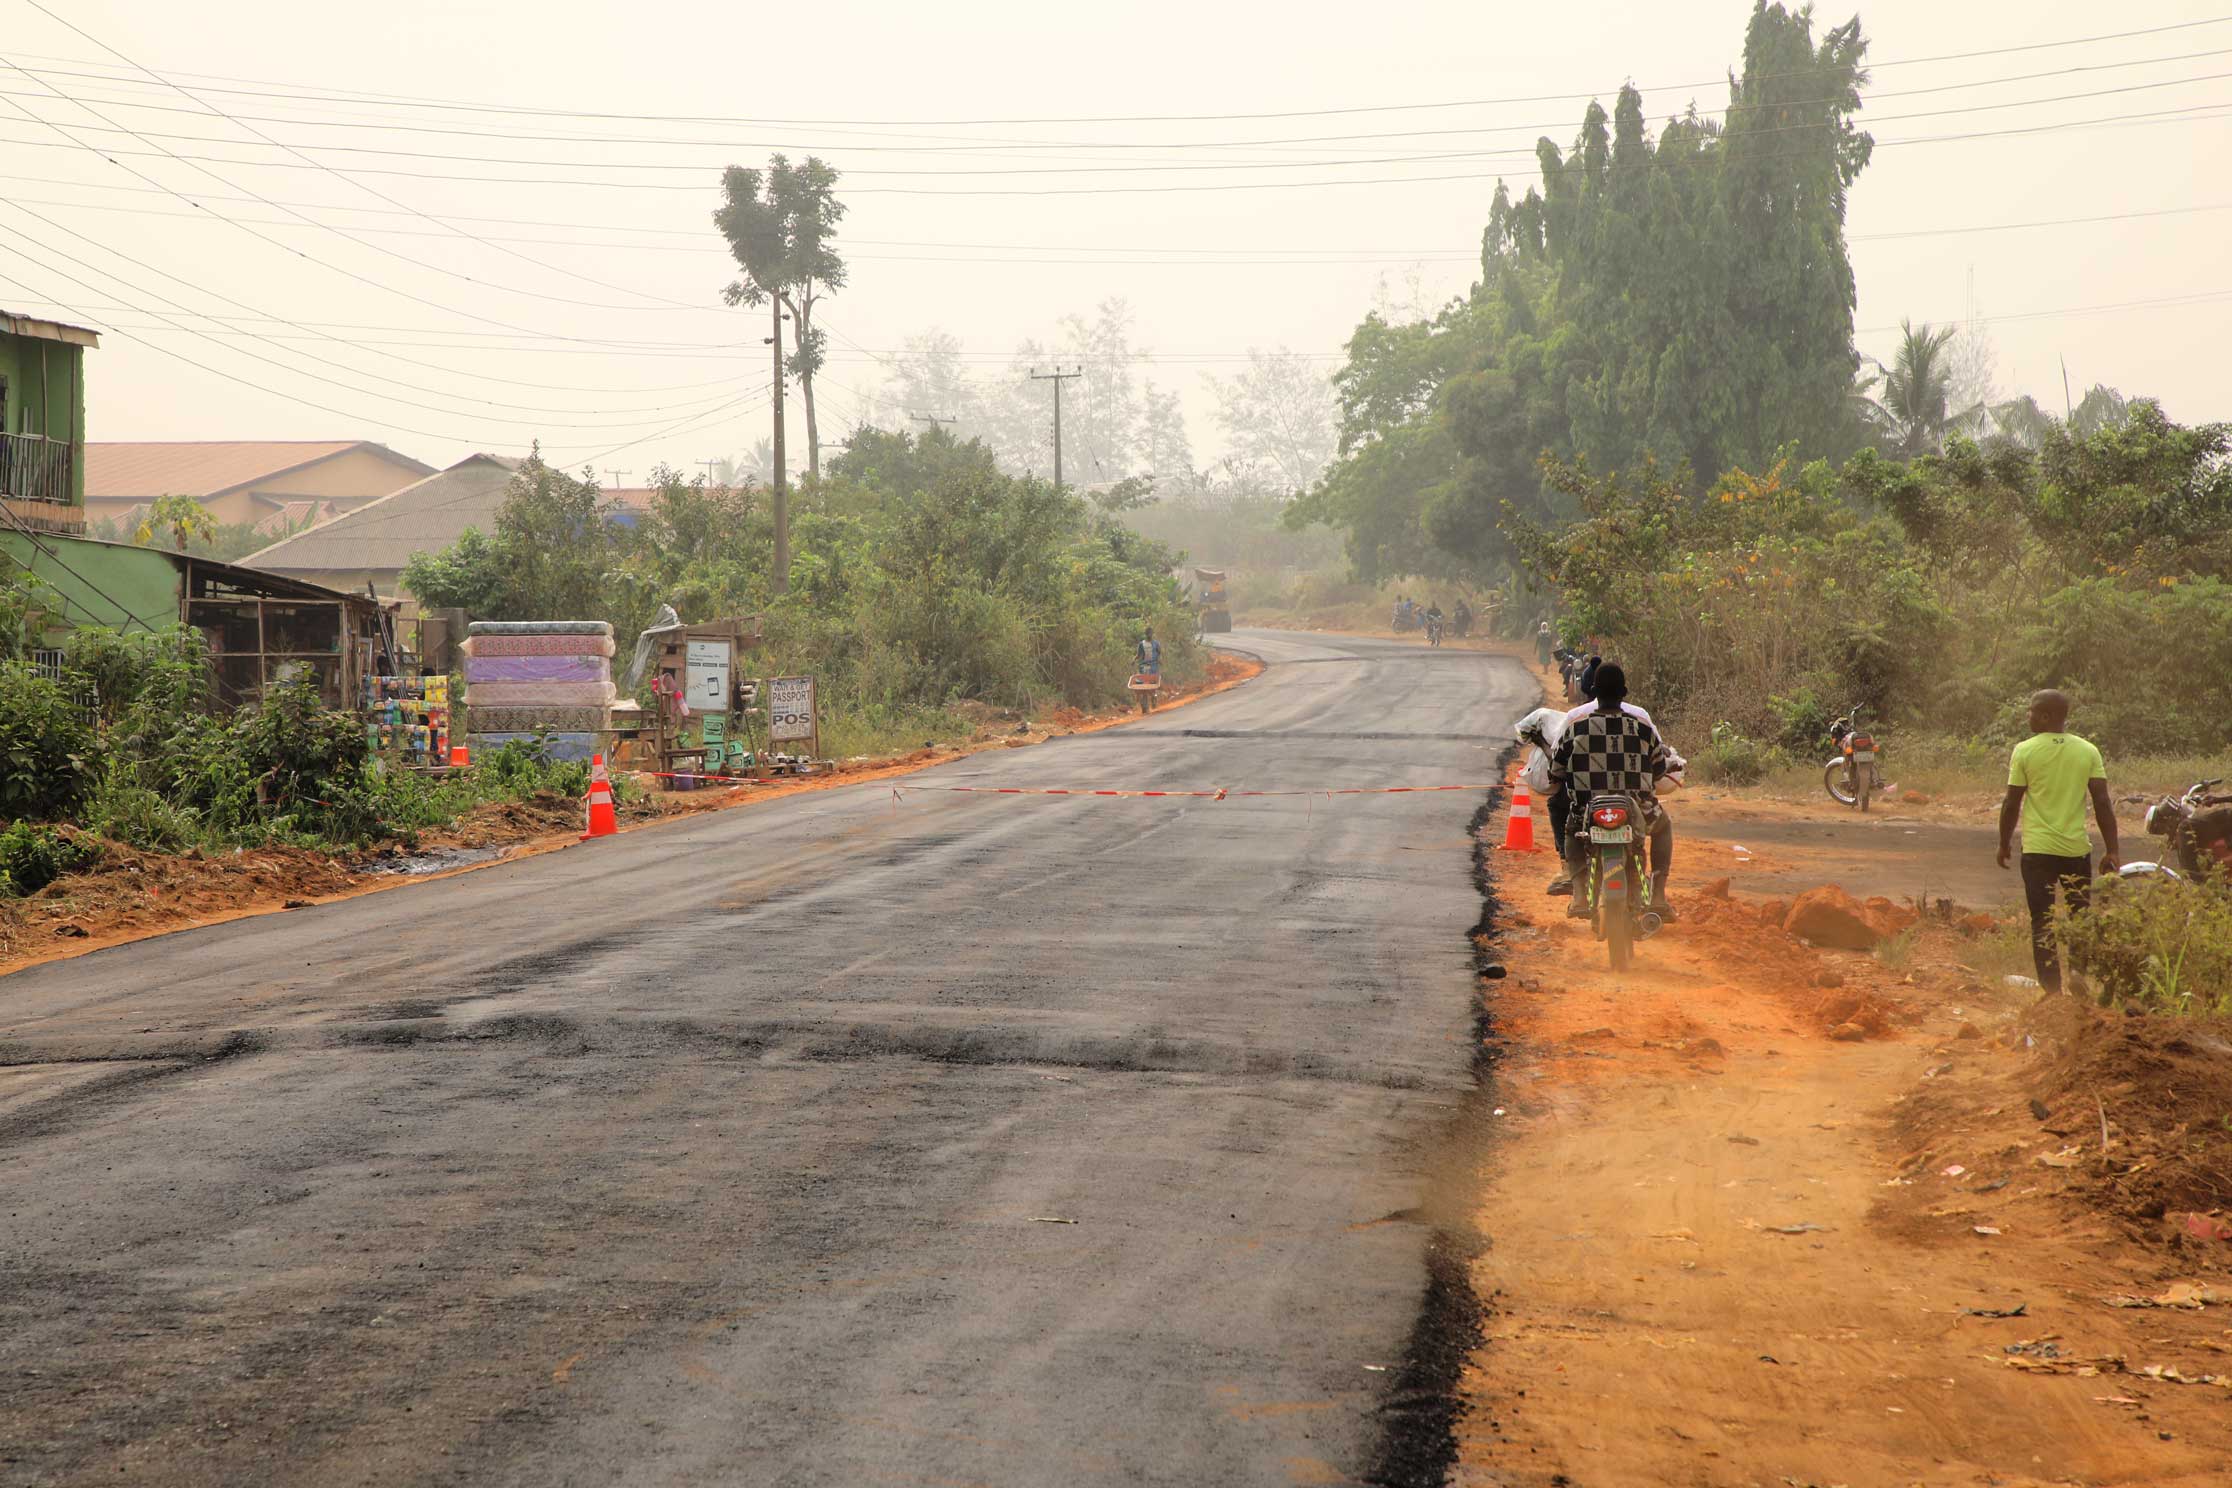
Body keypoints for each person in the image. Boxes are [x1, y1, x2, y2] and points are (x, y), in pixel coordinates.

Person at [1998, 689, 2119, 994]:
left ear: (2046, 716)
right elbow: (2102, 802)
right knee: (2080, 917)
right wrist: (2112, 849)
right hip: (2075, 851)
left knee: (2042, 920)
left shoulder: (2024, 751)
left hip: (2037, 852)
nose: (2028, 716)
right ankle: (2077, 972)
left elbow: (2012, 802)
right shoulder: (2088, 751)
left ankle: (2052, 990)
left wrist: (2004, 843)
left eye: (2031, 711)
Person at [1554, 665, 1686, 916]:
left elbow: (1556, 769)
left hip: (1588, 811)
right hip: (1637, 810)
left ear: (1594, 692)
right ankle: (1658, 895)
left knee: (1571, 830)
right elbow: (1659, 770)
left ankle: (1580, 895)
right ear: (1624, 693)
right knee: (1663, 826)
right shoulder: (1643, 728)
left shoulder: (1575, 728)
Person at [1514, 705, 1571, 871]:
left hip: (1586, 789)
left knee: (1557, 805)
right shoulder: (1630, 718)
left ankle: (1565, 861)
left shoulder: (1575, 724)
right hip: (1622, 790)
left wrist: (1540, 742)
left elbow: (1557, 765)